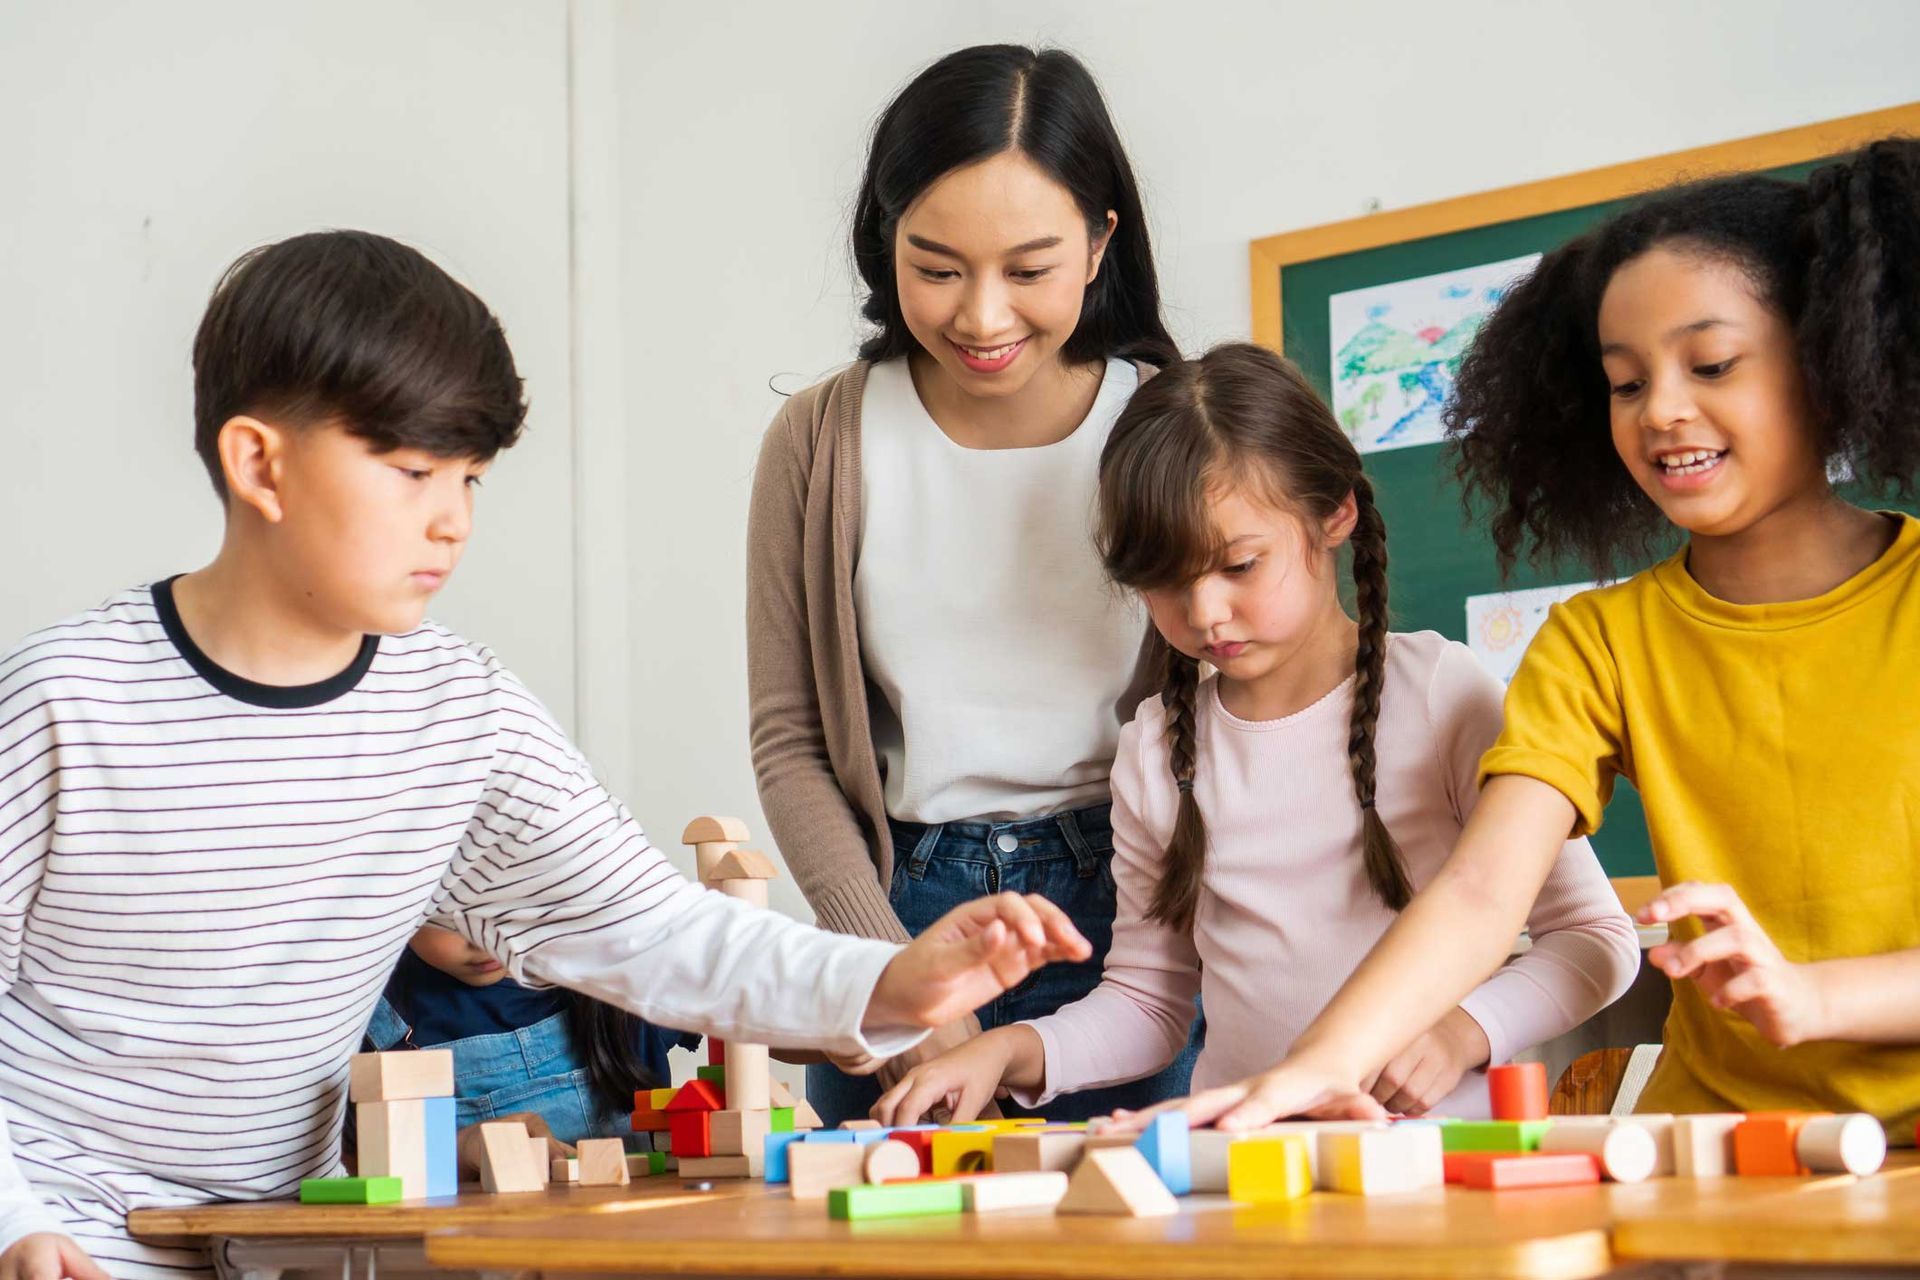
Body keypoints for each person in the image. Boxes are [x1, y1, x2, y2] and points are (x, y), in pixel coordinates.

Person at [0, 229, 1090, 1280]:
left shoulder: (461, 716)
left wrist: (893, 976)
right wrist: (15, 1220)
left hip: (279, 1244)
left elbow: (658, 933)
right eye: (416, 471)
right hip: (51, 1232)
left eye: (470, 479)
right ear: (260, 464)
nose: (454, 521)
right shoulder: (63, 701)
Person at [1125, 140, 1920, 1137]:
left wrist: (1819, 998)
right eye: (1625, 382)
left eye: (1711, 363)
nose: (1664, 409)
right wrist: (1320, 1065)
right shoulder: (1599, 642)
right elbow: (1481, 888)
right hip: (1727, 1148)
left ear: (1829, 355)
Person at [870, 343, 1639, 1126]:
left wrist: (1463, 1032)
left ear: (1335, 512)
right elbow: (1148, 1001)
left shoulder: (1444, 695)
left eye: (1239, 565)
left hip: (1436, 1171)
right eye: (1166, 581)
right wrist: (1003, 1050)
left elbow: (1594, 940)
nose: (1203, 612)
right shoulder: (1154, 752)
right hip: (1245, 1166)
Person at [747, 43, 1199, 1126]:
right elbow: (791, 740)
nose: (982, 317)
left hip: (1130, 915)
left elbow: (1235, 703)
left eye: (1029, 269)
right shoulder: (821, 438)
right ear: (883, 241)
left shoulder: (1171, 424)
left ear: (1100, 245)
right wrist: (898, 973)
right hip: (899, 908)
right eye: (936, 267)